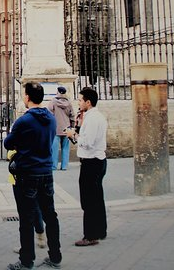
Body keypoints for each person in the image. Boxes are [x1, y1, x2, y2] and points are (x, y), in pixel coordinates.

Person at [3, 81, 62, 270]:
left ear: (27, 97)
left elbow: (8, 143)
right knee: (50, 216)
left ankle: (27, 260)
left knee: (26, 219)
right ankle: (55, 256)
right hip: (46, 172)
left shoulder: (24, 121)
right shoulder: (51, 118)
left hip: (27, 173)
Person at [65, 86, 107, 246]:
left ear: (88, 102)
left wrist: (73, 135)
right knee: (97, 198)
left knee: (88, 200)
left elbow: (87, 142)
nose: (79, 103)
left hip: (91, 162)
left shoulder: (92, 118)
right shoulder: (94, 116)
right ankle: (100, 230)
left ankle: (90, 236)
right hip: (97, 161)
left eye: (81, 100)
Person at [47, 86, 74, 171]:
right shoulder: (68, 103)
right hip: (67, 128)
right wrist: (72, 126)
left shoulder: (53, 102)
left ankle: (54, 166)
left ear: (57, 92)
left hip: (56, 128)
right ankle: (64, 166)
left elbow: (49, 115)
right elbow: (72, 115)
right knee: (65, 148)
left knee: (54, 149)